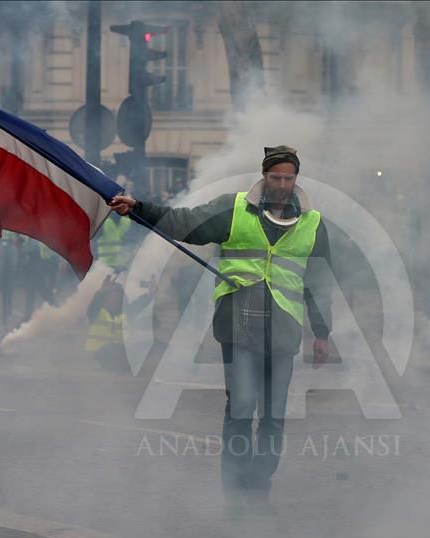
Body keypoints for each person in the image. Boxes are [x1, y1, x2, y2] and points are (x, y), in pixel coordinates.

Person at [108, 145, 332, 518]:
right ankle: (235, 494)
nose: (280, 184)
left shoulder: (313, 223)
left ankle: (259, 490)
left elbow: (320, 281)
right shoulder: (234, 209)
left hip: (283, 330)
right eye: (274, 177)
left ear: (296, 180)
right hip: (237, 325)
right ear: (264, 176)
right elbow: (184, 222)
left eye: (287, 178)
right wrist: (139, 209)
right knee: (242, 411)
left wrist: (321, 333)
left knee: (274, 417)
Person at [85, 275, 155, 372]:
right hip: (98, 353)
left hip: (119, 354)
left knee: (153, 344)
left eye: (117, 296)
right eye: (111, 296)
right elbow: (94, 306)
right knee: (115, 352)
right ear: (105, 297)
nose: (115, 299)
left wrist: (149, 295)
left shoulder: (125, 313)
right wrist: (101, 293)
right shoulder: (96, 312)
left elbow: (137, 306)